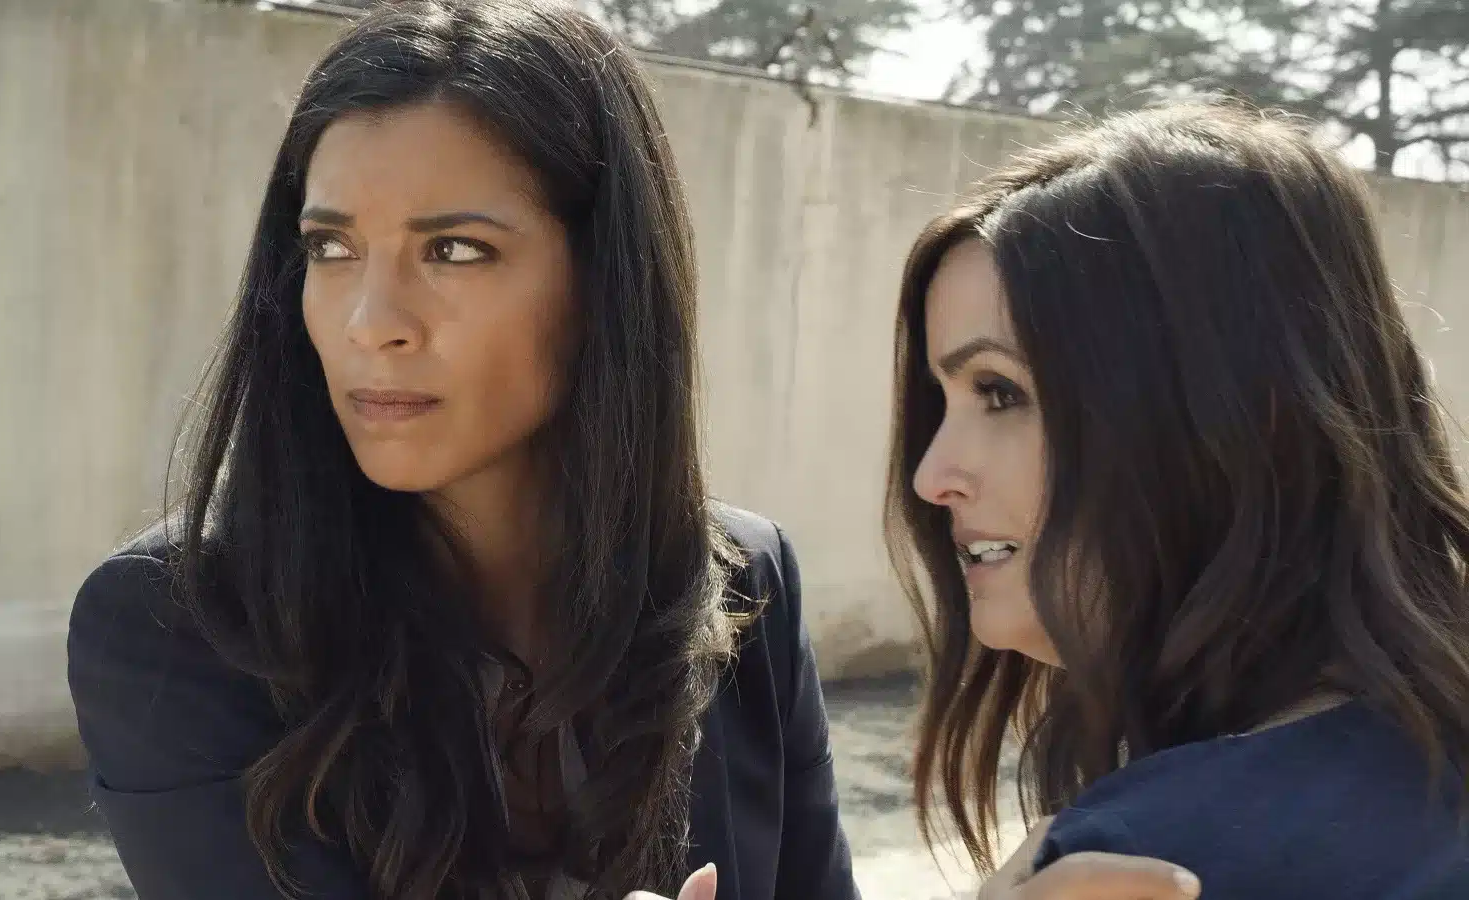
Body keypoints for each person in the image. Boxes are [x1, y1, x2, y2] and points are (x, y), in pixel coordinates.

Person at [67, 2, 1202, 899]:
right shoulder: (176, 623)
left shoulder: (743, 580)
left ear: (602, 281)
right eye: (330, 249)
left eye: (453, 250)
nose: (373, 322)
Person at [885, 98, 1469, 899]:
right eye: (943, 399)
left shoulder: (1128, 868)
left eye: (1001, 392)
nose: (932, 476)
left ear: (1221, 421)